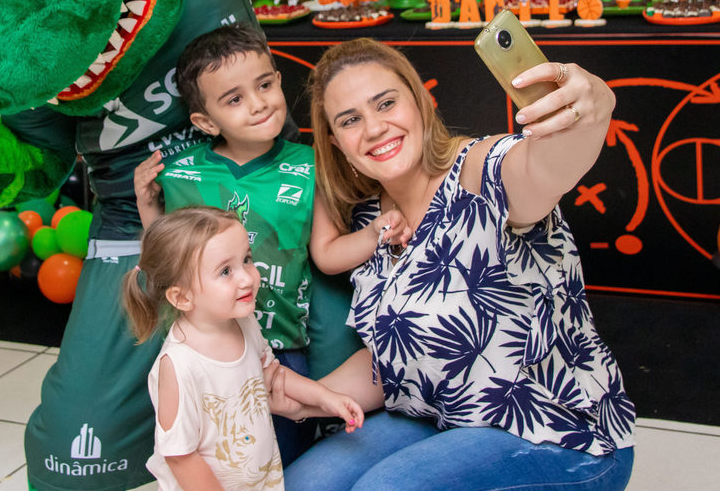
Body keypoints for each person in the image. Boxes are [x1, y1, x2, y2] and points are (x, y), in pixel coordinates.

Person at [269, 38, 635, 491]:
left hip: (559, 433)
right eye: (350, 120)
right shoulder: (370, 221)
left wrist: (590, 111)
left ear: (420, 102)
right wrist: (307, 398)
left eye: (386, 103)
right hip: (445, 419)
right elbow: (396, 360)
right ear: (336, 142)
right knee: (301, 486)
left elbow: (548, 166)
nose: (374, 128)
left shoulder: (480, 171)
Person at [132, 23, 409, 463]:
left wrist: (376, 233)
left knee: (284, 464)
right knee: (205, 456)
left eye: (264, 85)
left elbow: (327, 255)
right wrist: (148, 209)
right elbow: (167, 262)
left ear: (279, 81)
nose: (258, 103)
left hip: (279, 352)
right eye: (234, 99)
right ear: (205, 121)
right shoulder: (180, 173)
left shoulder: (311, 165)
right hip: (201, 349)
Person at [120, 205, 364, 491]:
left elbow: (273, 375)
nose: (248, 278)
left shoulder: (244, 322)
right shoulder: (179, 365)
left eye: (247, 259)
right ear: (182, 297)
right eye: (225, 271)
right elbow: (181, 457)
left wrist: (326, 398)